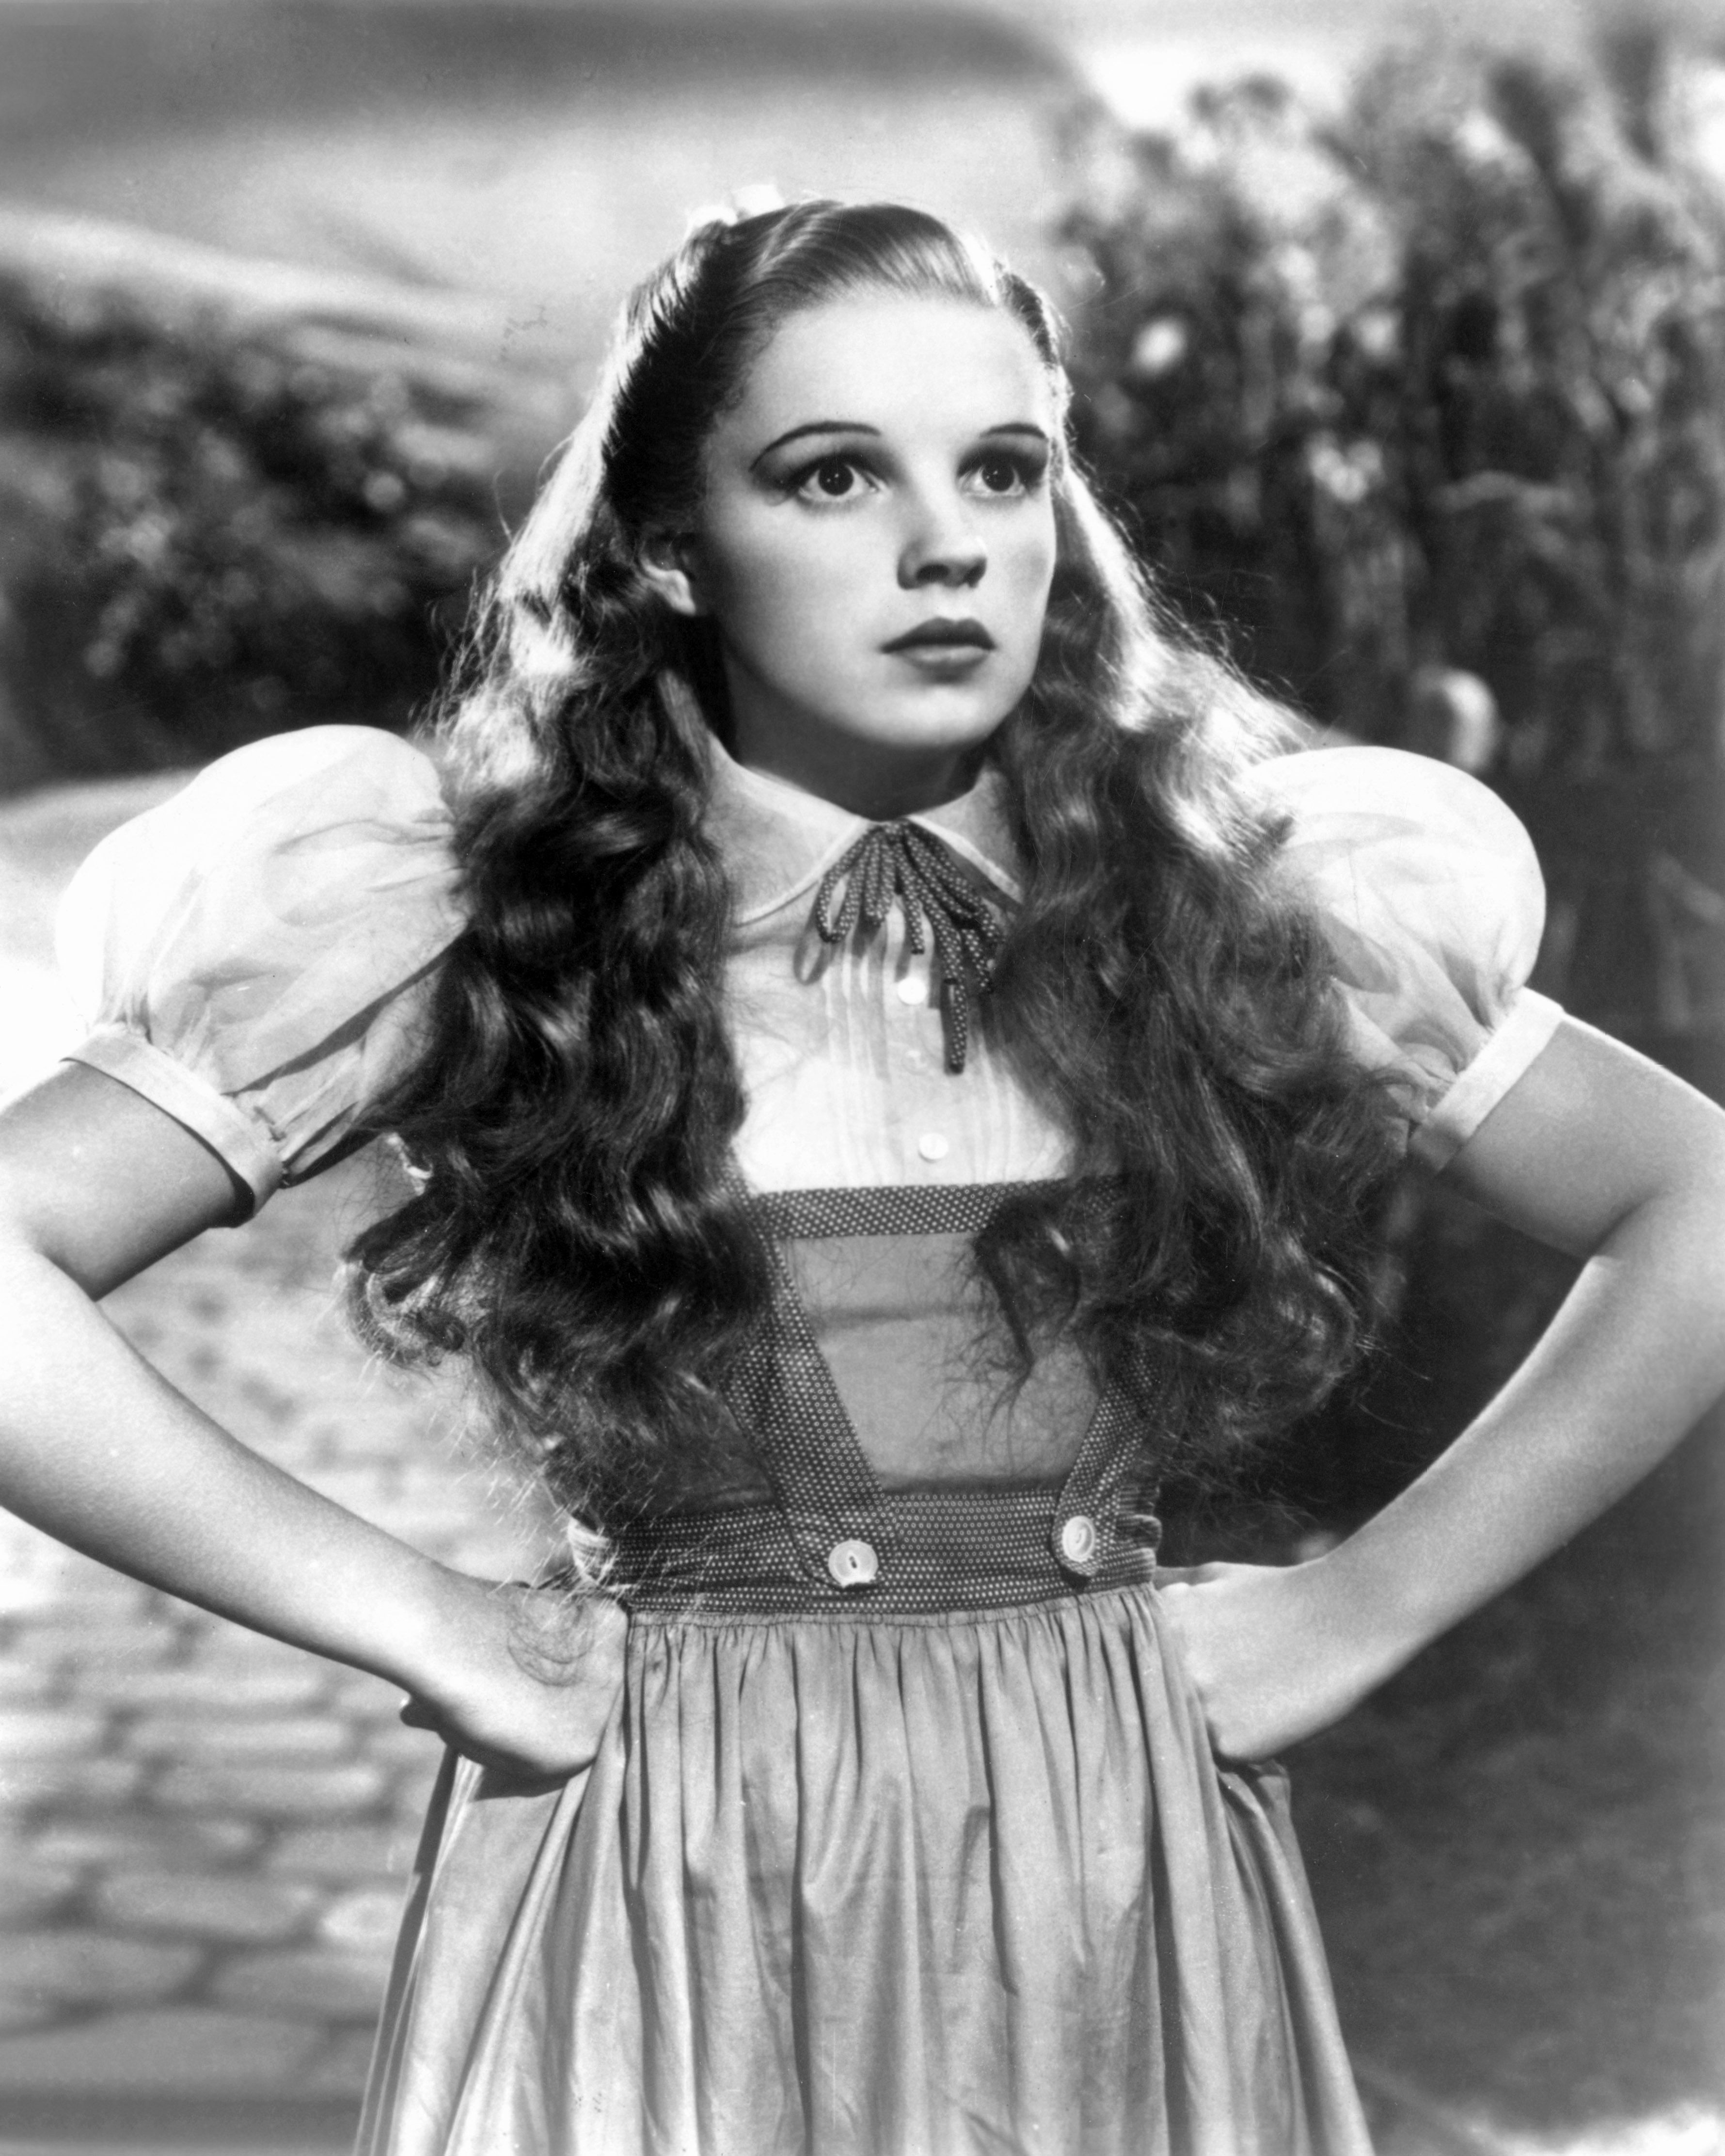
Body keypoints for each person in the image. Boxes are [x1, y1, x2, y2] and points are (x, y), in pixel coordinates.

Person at [2, 199, 1722, 2156]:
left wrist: (1366, 1608)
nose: (946, 545)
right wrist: (427, 1622)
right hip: (675, 1887)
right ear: (670, 543)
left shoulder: (1220, 902)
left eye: (1002, 469)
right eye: (833, 474)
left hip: (1106, 1869)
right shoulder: (484, 920)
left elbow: (1692, 1199)